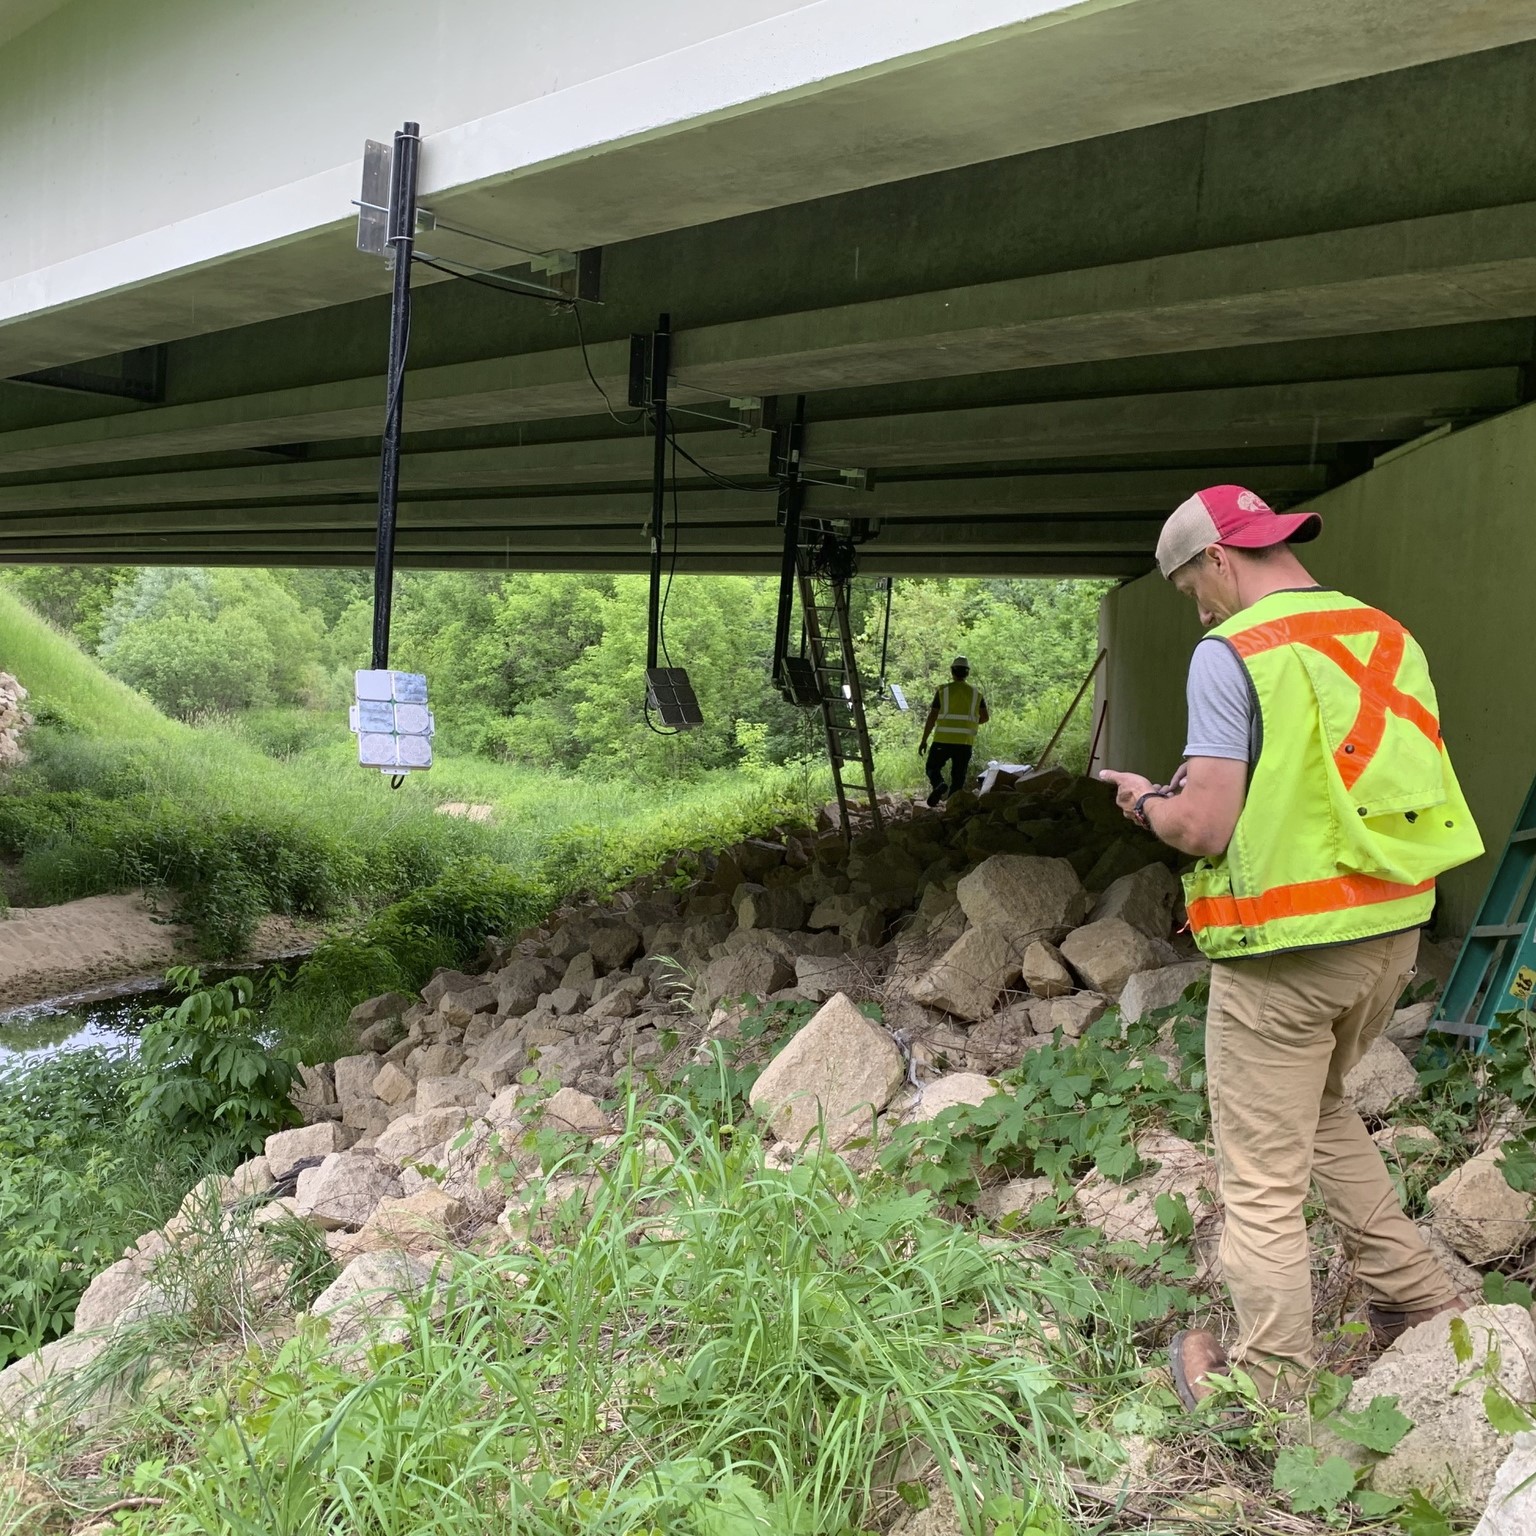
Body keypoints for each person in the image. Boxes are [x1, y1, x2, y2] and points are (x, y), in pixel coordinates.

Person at [1099, 484, 1483, 1410]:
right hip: (1390, 934)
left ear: (1220, 560)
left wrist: (1149, 800)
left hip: (1290, 953)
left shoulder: (1234, 651)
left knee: (1261, 1181)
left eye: (1193, 585)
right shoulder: (1383, 634)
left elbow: (1204, 826)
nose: (1197, 606)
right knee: (1319, 1112)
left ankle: (1268, 1389)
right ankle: (1419, 1297)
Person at [919, 656, 988, 808]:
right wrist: (968, 724)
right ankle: (951, 807)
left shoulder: (943, 691)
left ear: (952, 671)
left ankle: (939, 785)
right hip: (964, 742)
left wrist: (924, 740)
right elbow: (985, 717)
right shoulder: (976, 694)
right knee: (958, 777)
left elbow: (932, 716)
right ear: (967, 673)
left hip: (942, 739)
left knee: (932, 767)